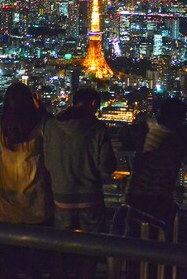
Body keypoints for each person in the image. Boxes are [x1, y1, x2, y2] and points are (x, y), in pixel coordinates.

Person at [43, 87, 117, 279]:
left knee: (60, 248)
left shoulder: (51, 126)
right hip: (90, 199)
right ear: (93, 104)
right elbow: (107, 166)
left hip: (61, 197)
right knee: (89, 250)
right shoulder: (99, 129)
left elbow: (48, 163)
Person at [0, 82, 53, 277]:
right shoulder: (42, 125)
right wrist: (40, 107)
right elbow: (55, 127)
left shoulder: (0, 125)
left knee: (7, 262)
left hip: (6, 205)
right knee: (37, 265)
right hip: (37, 203)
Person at [125, 97, 187, 227]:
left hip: (136, 191)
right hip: (161, 195)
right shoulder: (181, 138)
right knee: (156, 235)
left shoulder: (145, 128)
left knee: (133, 235)